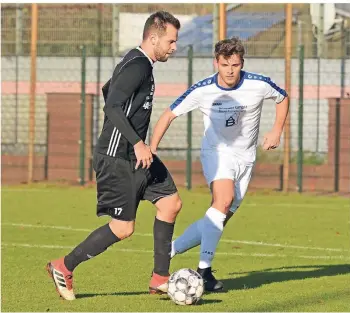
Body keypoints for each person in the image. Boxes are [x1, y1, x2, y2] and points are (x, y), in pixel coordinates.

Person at [46, 11, 183, 300]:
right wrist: (136, 142)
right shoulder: (138, 66)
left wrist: (138, 144)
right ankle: (64, 266)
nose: (174, 47)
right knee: (123, 228)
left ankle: (160, 278)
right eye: (171, 41)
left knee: (170, 203)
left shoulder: (138, 62)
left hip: (136, 156)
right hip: (118, 156)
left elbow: (109, 91)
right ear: (153, 37)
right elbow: (112, 106)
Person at [150, 36, 289, 292]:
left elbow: (282, 97)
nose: (230, 71)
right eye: (225, 65)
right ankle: (204, 272)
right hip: (217, 153)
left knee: (219, 217)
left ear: (241, 63)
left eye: (235, 65)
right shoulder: (203, 89)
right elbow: (169, 114)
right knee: (222, 202)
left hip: (246, 158)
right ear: (216, 63)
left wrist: (277, 130)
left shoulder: (258, 84)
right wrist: (153, 147)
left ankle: (168, 253)